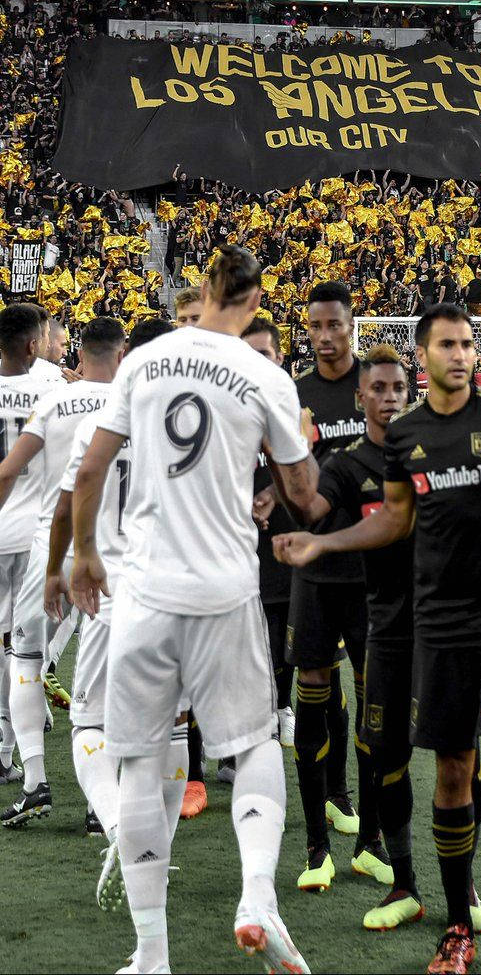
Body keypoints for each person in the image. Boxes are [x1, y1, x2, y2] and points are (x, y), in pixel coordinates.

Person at [276, 303, 481, 975]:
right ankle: (454, 927)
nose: (459, 354)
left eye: (467, 344)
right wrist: (321, 542)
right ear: (425, 356)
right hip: (437, 620)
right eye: (446, 344)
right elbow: (392, 520)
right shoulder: (405, 438)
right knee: (450, 771)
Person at [69, 246, 316, 975]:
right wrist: (286, 464)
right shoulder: (263, 373)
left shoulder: (144, 360)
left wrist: (84, 552)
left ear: (203, 289)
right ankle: (256, 897)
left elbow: (89, 469)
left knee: (140, 764)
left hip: (142, 594)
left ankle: (150, 955)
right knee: (254, 746)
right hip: (223, 591)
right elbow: (302, 491)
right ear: (254, 299)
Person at [45, 318, 178, 911]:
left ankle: (122, 827)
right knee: (169, 729)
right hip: (174, 594)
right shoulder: (187, 425)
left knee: (88, 725)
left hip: (108, 591)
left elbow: (69, 502)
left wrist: (58, 567)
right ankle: (160, 856)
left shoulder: (103, 423)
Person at [257, 281, 380, 891]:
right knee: (312, 695)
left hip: (372, 577)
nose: (326, 336)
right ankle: (315, 847)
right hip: (314, 575)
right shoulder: (294, 394)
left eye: (336, 325)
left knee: (372, 704)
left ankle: (372, 837)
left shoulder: (377, 389)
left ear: (352, 324)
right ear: (305, 331)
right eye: (315, 327)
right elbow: (281, 475)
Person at [0, 317, 126, 828]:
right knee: (109, 676)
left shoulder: (54, 398)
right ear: (120, 356)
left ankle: (34, 782)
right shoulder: (132, 404)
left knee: (24, 656)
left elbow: (10, 470)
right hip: (112, 553)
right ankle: (103, 801)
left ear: (81, 351)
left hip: (49, 545)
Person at [0, 306, 54, 784]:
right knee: (24, 647)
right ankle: (6, 744)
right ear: (33, 345)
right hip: (35, 532)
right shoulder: (52, 389)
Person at [242, 318, 296, 747]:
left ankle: (282, 707)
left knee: (281, 626)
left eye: (264, 354)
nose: (255, 363)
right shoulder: (221, 403)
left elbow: (312, 466)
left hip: (284, 535)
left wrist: (275, 493)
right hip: (233, 536)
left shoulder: (297, 406)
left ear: (281, 358)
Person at [172, 288, 207, 820]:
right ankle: (189, 773)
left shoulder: (233, 376)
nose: (187, 326)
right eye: (181, 318)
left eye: (196, 318)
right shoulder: (157, 377)